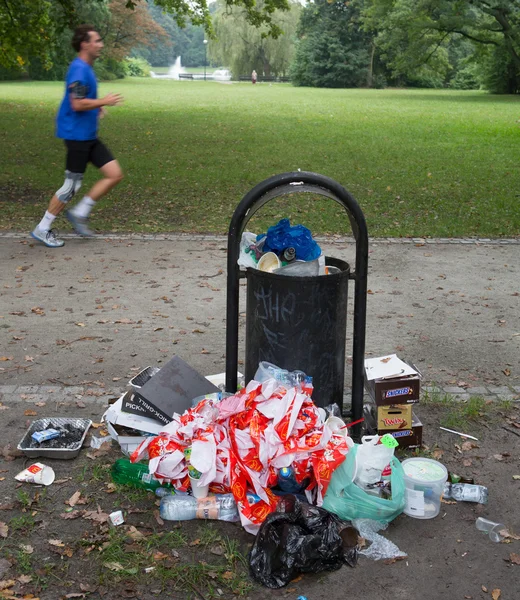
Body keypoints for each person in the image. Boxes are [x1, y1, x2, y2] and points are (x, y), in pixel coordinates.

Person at [31, 24, 124, 248]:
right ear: (85, 44)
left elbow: (83, 100)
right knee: (71, 186)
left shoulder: (87, 68)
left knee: (114, 174)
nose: (101, 45)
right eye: (97, 41)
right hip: (77, 136)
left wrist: (97, 107)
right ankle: (42, 228)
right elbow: (76, 103)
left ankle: (80, 213)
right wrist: (103, 102)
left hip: (88, 136)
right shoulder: (79, 70)